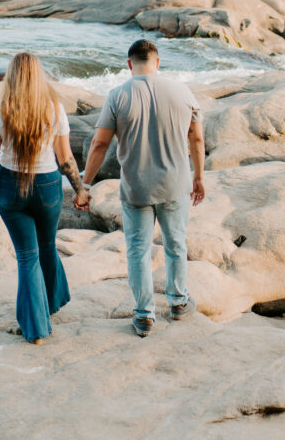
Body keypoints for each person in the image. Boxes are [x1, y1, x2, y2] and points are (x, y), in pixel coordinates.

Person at [82, 38, 205, 337]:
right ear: (158, 62)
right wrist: (199, 176)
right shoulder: (183, 91)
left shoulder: (117, 95)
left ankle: (144, 315)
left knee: (138, 251)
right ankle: (178, 302)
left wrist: (85, 183)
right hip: (175, 184)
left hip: (136, 187)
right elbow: (197, 139)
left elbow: (99, 143)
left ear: (129, 65)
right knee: (176, 245)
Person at [0, 52, 91, 344]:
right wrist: (79, 189)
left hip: (10, 189)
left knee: (28, 257)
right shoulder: (54, 109)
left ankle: (36, 327)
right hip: (48, 187)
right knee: (47, 246)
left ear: (10, 77)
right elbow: (65, 158)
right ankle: (49, 306)